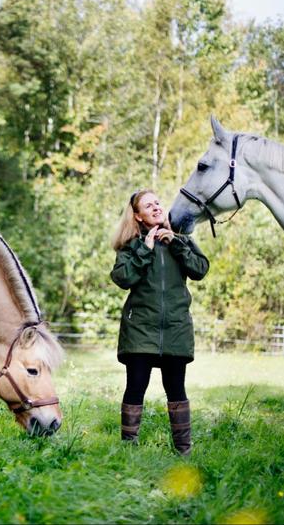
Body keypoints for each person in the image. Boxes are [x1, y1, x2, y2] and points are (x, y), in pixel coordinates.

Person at [109, 189, 209, 455]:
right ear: (138, 217)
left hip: (176, 329)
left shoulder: (181, 241)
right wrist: (146, 249)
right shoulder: (131, 246)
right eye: (148, 206)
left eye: (157, 203)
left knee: (176, 388)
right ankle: (128, 450)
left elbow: (200, 269)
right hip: (140, 330)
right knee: (136, 386)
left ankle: (183, 452)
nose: (155, 208)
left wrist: (175, 243)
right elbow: (123, 278)